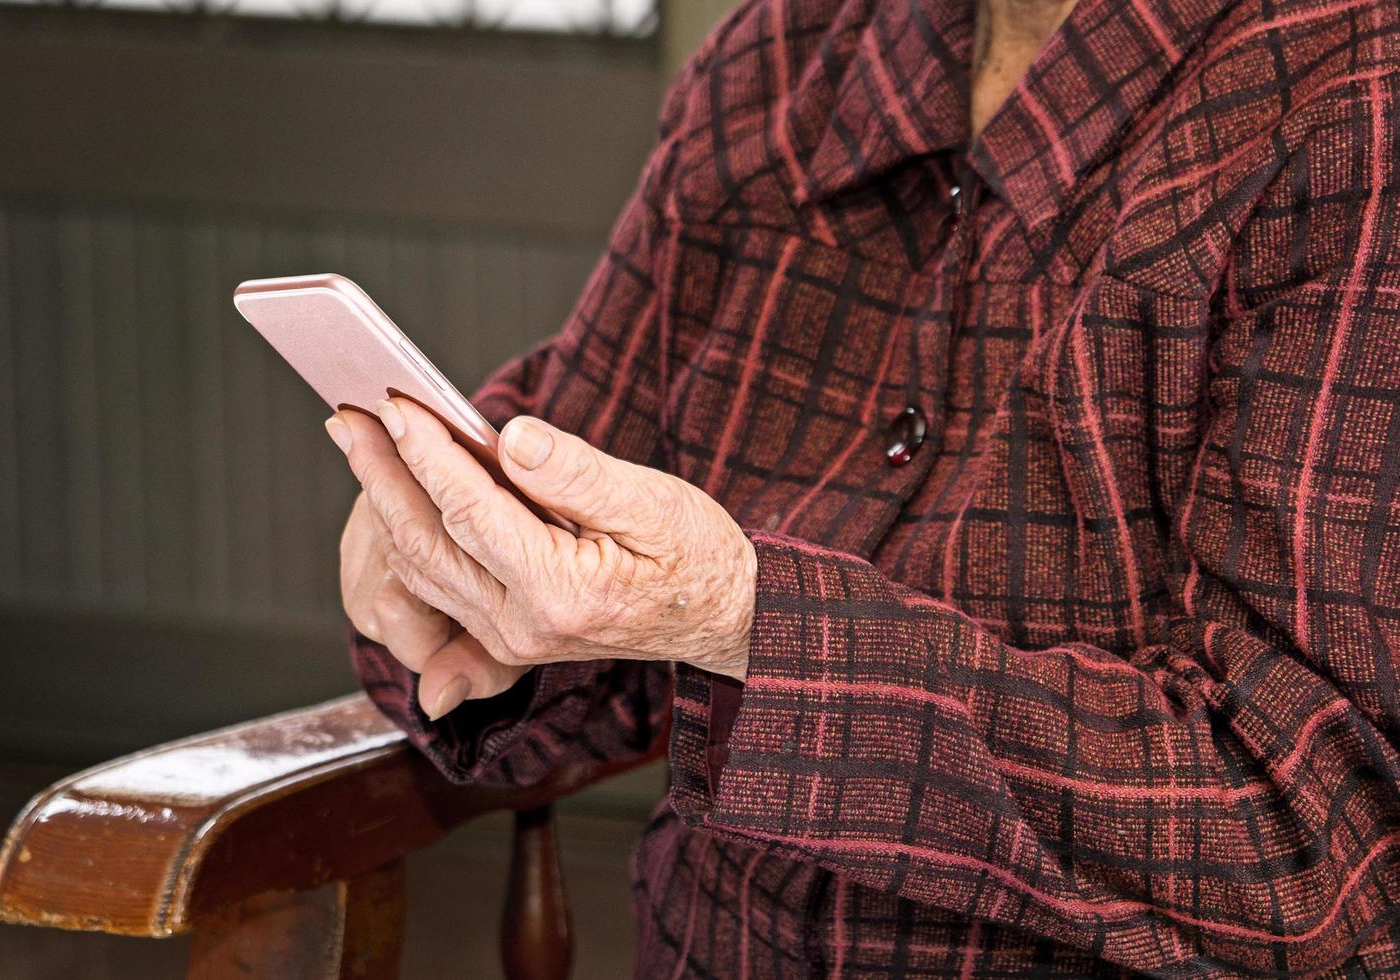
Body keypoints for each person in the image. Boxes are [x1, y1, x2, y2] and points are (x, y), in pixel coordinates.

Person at [325, 0, 1400, 970]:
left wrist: (743, 621)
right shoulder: (774, 61)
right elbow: (575, 645)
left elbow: (1312, 845)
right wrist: (449, 566)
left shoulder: (1353, 99)